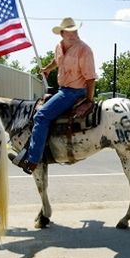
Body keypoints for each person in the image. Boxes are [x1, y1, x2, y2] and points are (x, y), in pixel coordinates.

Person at [12, 17, 96, 174]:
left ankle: (32, 160)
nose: (73, 34)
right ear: (62, 33)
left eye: (75, 30)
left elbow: (91, 78)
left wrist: (89, 100)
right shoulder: (59, 46)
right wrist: (48, 68)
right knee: (39, 110)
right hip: (63, 89)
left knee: (41, 116)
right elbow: (57, 61)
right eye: (69, 31)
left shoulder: (84, 50)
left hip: (74, 91)